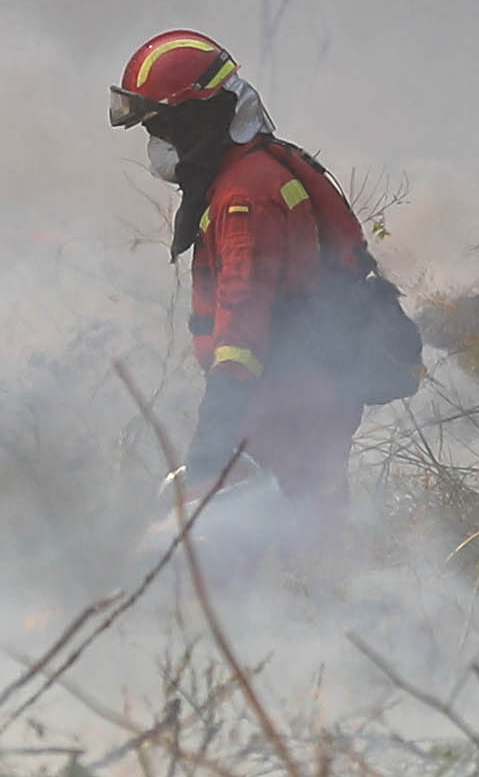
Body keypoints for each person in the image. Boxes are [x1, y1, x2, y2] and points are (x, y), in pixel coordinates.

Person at [112, 29, 389, 559]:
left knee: (256, 547)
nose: (156, 146)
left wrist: (216, 435)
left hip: (284, 396)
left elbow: (243, 317)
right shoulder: (263, 166)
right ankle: (320, 608)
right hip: (313, 388)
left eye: (161, 128)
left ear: (197, 120)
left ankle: (289, 628)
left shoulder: (244, 198)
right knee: (309, 531)